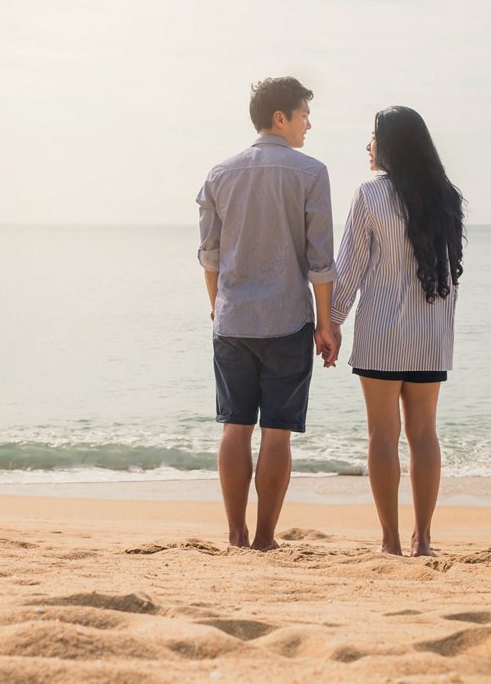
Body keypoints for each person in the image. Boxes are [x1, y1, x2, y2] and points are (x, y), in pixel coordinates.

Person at [196, 76, 338, 551]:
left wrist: (220, 308)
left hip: (233, 320)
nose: (308, 124)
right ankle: (264, 539)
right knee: (276, 436)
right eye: (303, 115)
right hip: (287, 321)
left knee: (235, 429)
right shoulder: (311, 172)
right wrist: (325, 324)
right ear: (280, 117)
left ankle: (235, 536)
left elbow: (209, 257)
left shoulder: (220, 173)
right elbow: (320, 261)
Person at [329, 106, 465, 557]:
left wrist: (331, 321)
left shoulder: (370, 194)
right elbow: (450, 275)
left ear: (391, 144)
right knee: (424, 434)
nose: (368, 146)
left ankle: (389, 541)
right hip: (429, 337)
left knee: (382, 436)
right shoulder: (445, 196)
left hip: (381, 336)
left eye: (373, 137)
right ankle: (423, 539)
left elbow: (348, 269)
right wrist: (442, 330)